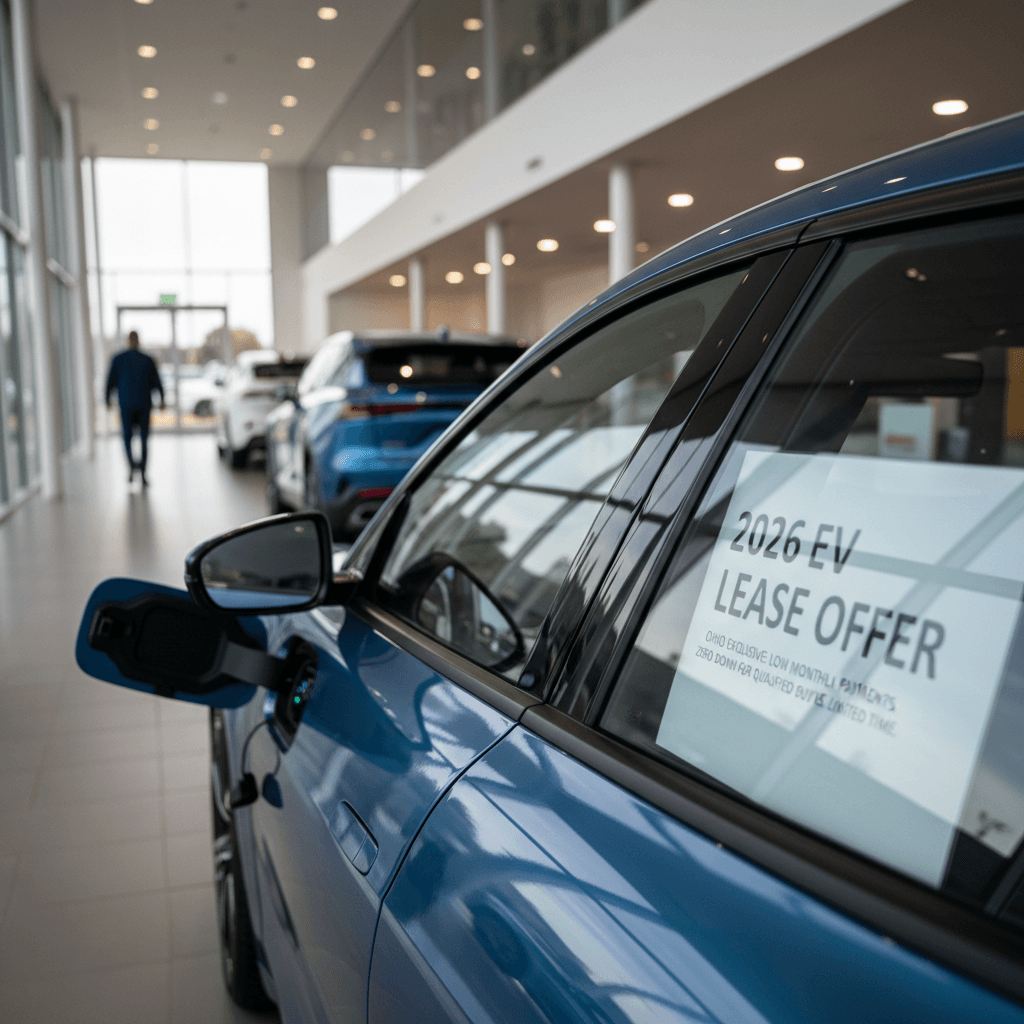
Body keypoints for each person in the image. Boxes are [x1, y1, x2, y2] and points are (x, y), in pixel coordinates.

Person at [105, 330, 165, 485]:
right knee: (136, 439)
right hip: (138, 404)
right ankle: (137, 470)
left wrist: (107, 399)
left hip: (131, 405)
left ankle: (137, 470)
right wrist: (162, 399)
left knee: (133, 438)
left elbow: (157, 381)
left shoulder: (122, 359)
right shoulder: (143, 359)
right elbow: (157, 382)